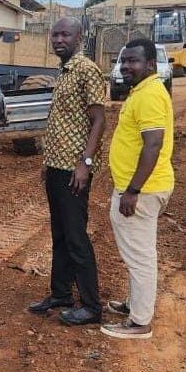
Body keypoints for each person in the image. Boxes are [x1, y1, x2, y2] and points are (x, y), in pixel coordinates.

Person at [28, 17, 106, 326]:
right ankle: (61, 293)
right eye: (55, 34)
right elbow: (62, 122)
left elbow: (99, 120)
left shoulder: (86, 69)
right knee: (59, 233)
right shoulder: (65, 71)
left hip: (75, 170)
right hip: (57, 167)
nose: (59, 39)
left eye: (65, 34)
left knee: (76, 236)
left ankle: (91, 305)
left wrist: (84, 163)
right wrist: (48, 163)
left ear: (79, 37)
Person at [102, 39, 174, 339]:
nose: (127, 66)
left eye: (134, 61)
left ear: (150, 65)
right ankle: (134, 304)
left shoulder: (150, 95)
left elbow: (153, 145)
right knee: (138, 252)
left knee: (140, 256)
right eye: (124, 60)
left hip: (141, 191)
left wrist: (132, 190)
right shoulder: (143, 91)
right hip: (142, 187)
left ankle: (140, 322)